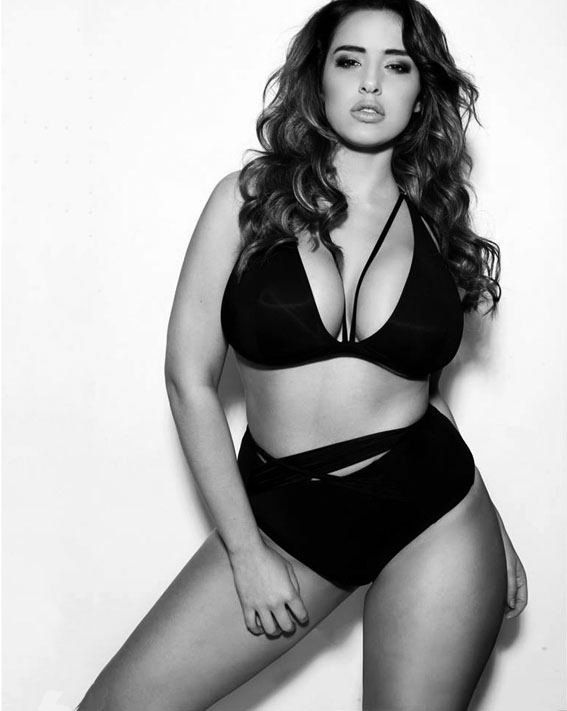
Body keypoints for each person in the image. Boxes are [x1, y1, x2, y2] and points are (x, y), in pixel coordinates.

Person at [75, 1, 528, 709]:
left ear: (420, 94)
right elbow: (188, 379)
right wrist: (244, 550)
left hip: (439, 516)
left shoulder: (433, 224)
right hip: (287, 517)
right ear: (318, 79)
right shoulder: (247, 201)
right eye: (350, 60)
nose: (371, 83)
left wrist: (489, 522)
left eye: (397, 66)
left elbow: (419, 392)